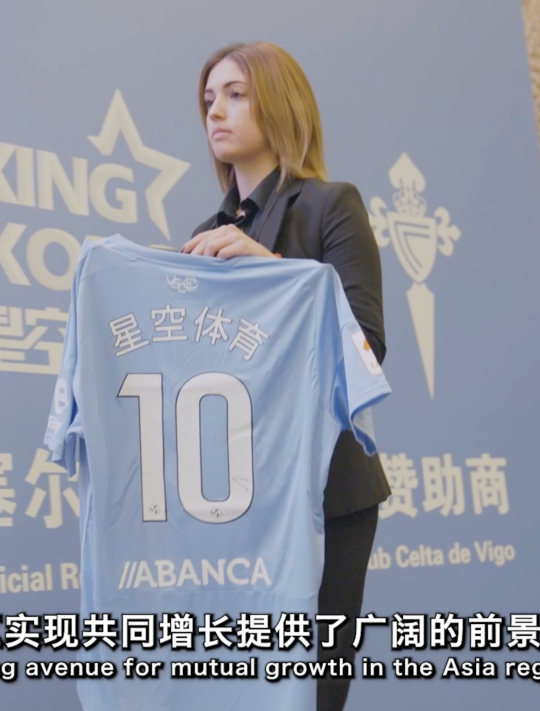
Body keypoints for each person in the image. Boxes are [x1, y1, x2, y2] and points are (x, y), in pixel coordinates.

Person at [179, 41, 390, 711]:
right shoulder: (203, 234)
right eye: (209, 99)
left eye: (236, 94)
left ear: (279, 104)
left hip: (327, 490)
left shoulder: (330, 205)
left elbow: (366, 347)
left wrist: (269, 268)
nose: (216, 111)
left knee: (312, 688)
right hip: (239, 497)